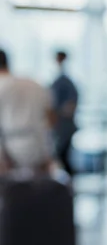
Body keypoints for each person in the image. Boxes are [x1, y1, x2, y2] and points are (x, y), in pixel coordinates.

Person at [0, 48, 58, 176]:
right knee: (39, 190)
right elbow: (51, 118)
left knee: (10, 192)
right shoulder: (34, 83)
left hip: (8, 147)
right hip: (38, 143)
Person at [50, 49, 79, 175]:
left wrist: (58, 113)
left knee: (63, 157)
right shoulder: (59, 80)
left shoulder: (66, 82)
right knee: (61, 157)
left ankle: (68, 188)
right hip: (59, 126)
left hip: (64, 126)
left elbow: (71, 104)